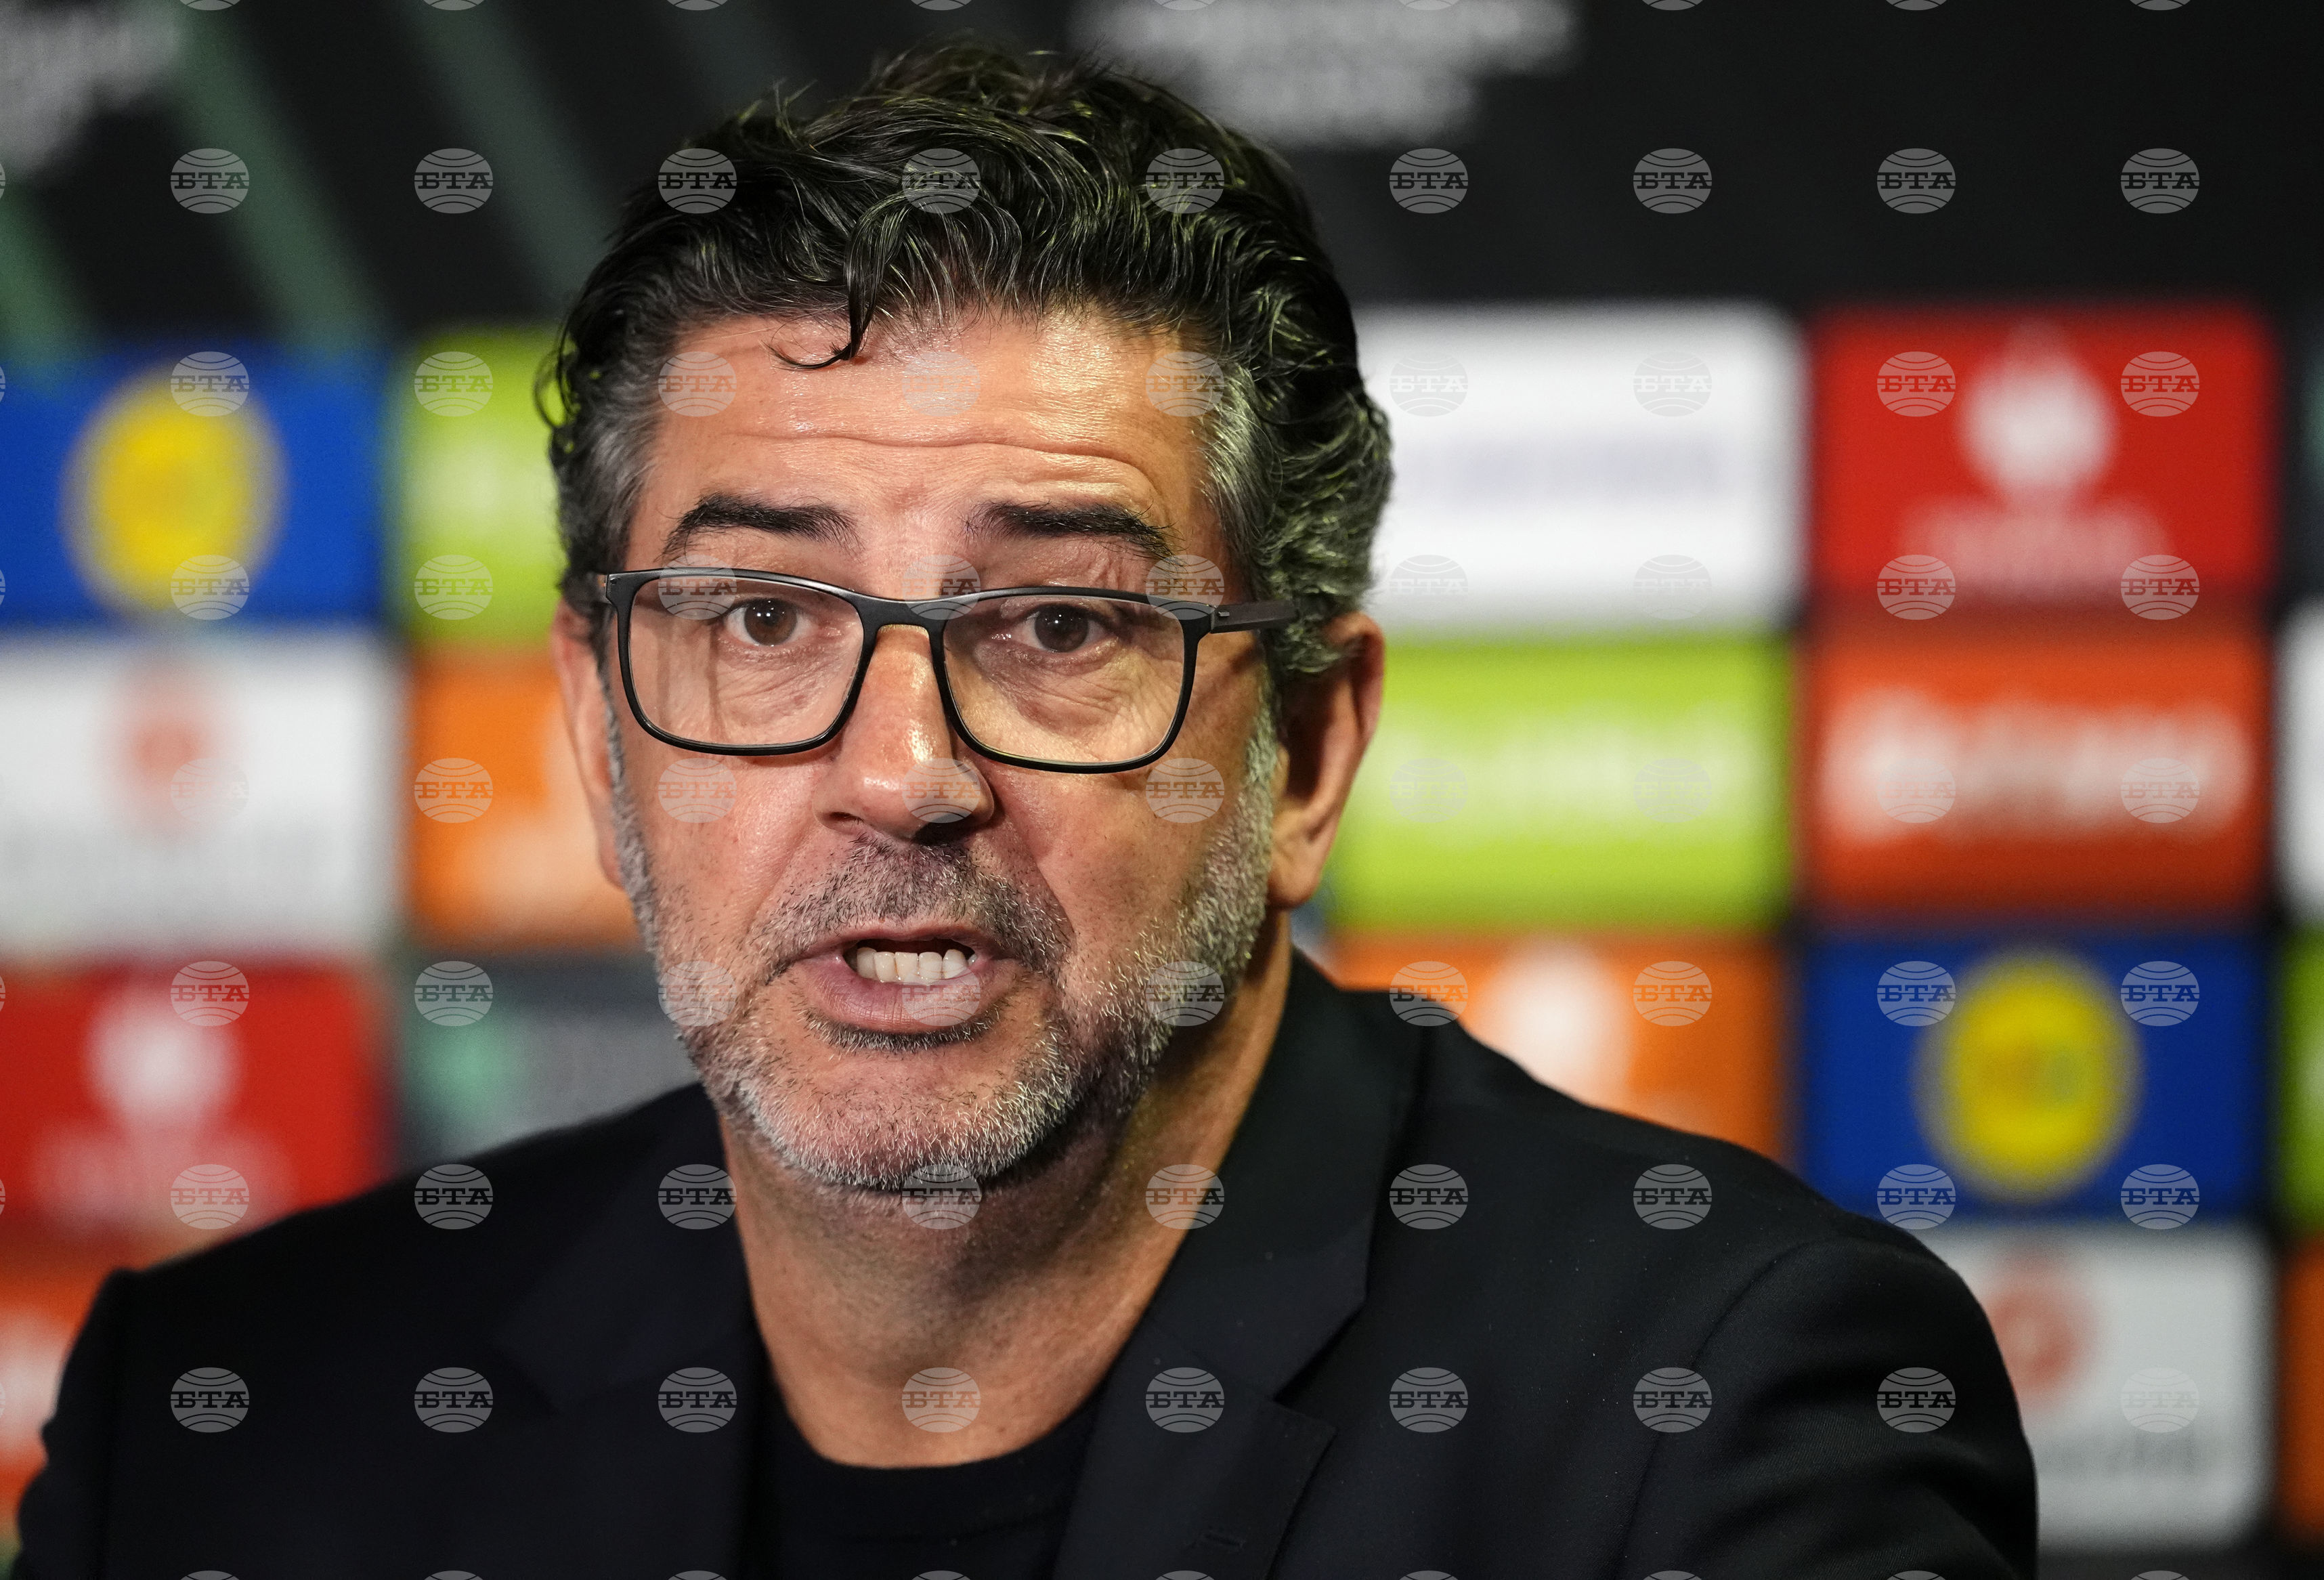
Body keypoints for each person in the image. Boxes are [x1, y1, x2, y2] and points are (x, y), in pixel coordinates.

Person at [13, 41, 2034, 1580]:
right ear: (598, 730)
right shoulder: (230, 1427)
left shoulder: (1717, 1419)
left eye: (1061, 622)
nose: (902, 774)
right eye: (764, 618)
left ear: (1307, 751)